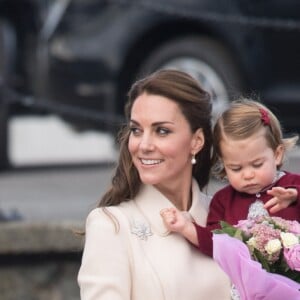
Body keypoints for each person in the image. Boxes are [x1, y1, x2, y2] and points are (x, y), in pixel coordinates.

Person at [77, 69, 231, 300]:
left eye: (162, 131)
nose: (144, 145)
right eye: (136, 130)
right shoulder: (111, 226)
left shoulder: (227, 217)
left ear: (196, 141)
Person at [161, 99, 300, 258]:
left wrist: (296, 197)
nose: (248, 175)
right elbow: (216, 244)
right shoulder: (223, 201)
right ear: (224, 164)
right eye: (236, 168)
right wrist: (186, 227)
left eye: (257, 164)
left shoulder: (293, 186)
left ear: (277, 155)